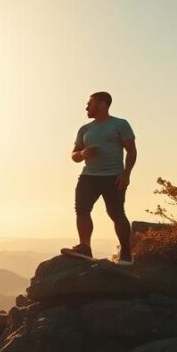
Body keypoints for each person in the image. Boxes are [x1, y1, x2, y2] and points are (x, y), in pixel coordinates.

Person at [61, 91, 137, 265]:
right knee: (82, 209)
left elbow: (131, 150)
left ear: (102, 104)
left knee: (116, 213)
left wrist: (126, 174)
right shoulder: (85, 129)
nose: (86, 107)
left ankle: (126, 253)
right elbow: (74, 155)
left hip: (114, 176)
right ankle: (85, 248)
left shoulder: (120, 124)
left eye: (90, 103)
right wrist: (82, 153)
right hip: (88, 177)